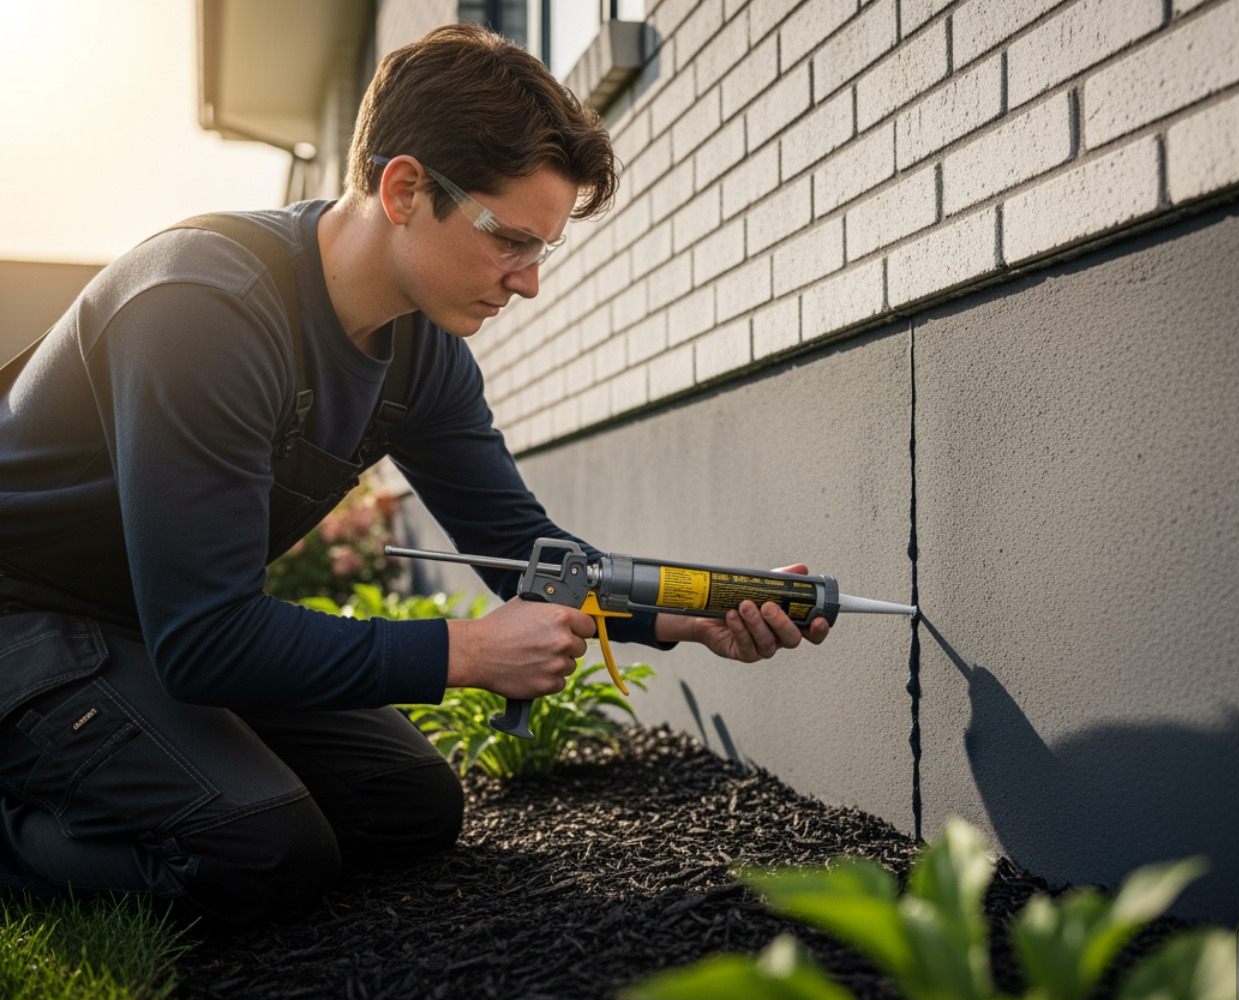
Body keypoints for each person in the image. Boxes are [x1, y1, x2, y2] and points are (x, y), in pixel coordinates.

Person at [0, 24, 827, 924]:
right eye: (511, 241)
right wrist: (466, 652)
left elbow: (521, 548)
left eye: (541, 250)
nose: (528, 283)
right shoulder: (202, 309)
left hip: (150, 629)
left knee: (407, 806)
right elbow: (206, 638)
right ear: (403, 189)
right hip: (26, 621)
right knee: (259, 851)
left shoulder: (422, 356)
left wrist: (686, 610)